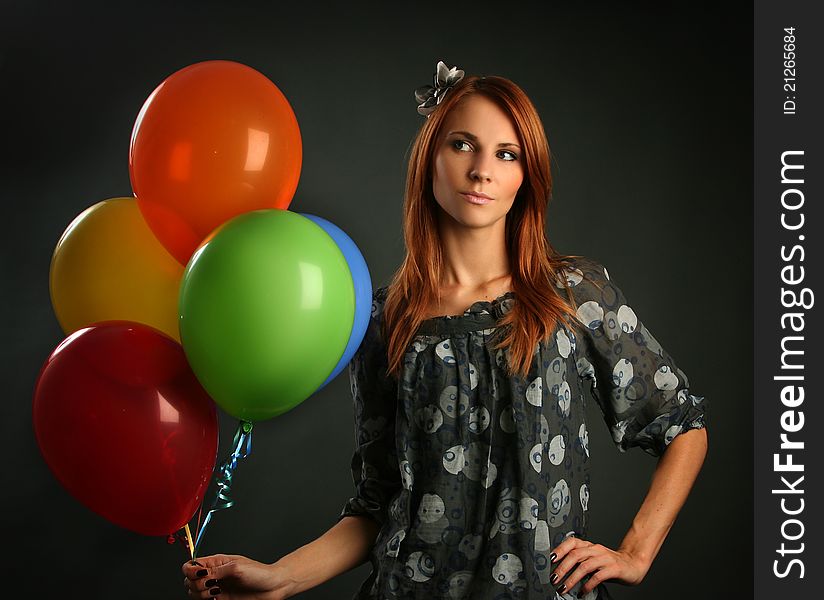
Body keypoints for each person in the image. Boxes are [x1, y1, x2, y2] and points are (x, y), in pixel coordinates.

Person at [182, 61, 708, 600]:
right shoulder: (384, 321)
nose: (482, 170)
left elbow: (681, 424)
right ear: (430, 157)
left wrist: (636, 550)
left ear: (526, 177)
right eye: (463, 145)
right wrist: (278, 580)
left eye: (507, 154)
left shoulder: (571, 296)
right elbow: (380, 501)